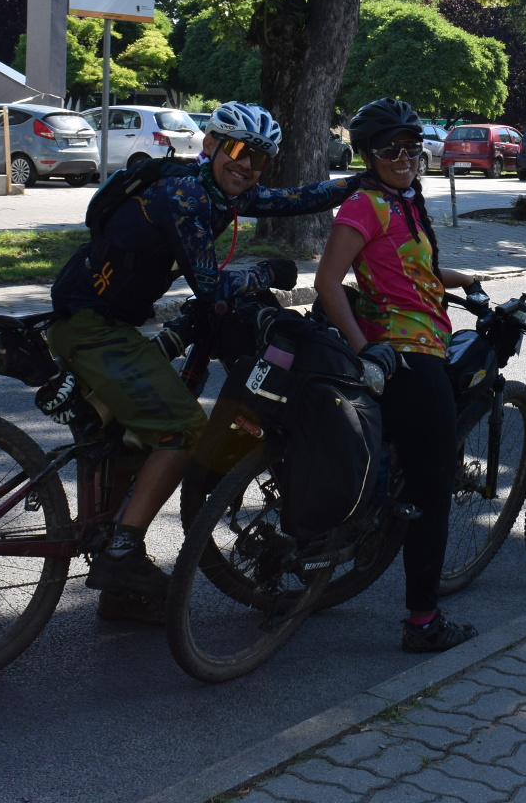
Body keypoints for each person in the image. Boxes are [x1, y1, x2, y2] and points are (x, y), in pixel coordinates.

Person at [36, 101, 359, 622]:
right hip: (93, 328)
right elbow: (210, 286)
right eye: (236, 150)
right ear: (208, 145)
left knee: (135, 437)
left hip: (103, 323)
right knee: (184, 430)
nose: (247, 165)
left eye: (260, 158)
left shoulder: (209, 187)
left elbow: (294, 199)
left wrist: (361, 184)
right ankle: (120, 555)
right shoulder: (183, 195)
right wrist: (265, 273)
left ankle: (122, 586)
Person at [315, 98, 486, 654]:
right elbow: (327, 282)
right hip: (405, 355)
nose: (405, 158)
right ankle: (423, 622)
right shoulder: (365, 205)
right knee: (435, 489)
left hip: (420, 343)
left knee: (411, 466)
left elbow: (415, 268)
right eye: (392, 150)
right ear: (369, 154)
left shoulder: (402, 201)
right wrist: (366, 349)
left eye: (413, 149)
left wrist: (465, 280)